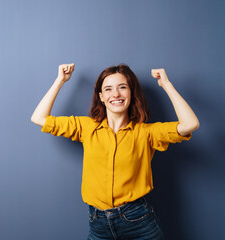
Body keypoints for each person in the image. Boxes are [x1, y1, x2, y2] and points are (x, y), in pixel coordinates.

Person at [31, 63, 199, 240]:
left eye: (122, 87)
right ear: (101, 97)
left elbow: (190, 124)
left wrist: (166, 84)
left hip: (138, 222)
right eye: (108, 89)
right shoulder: (86, 127)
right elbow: (39, 117)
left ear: (131, 94)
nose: (116, 94)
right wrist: (60, 81)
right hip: (98, 224)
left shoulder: (146, 132)